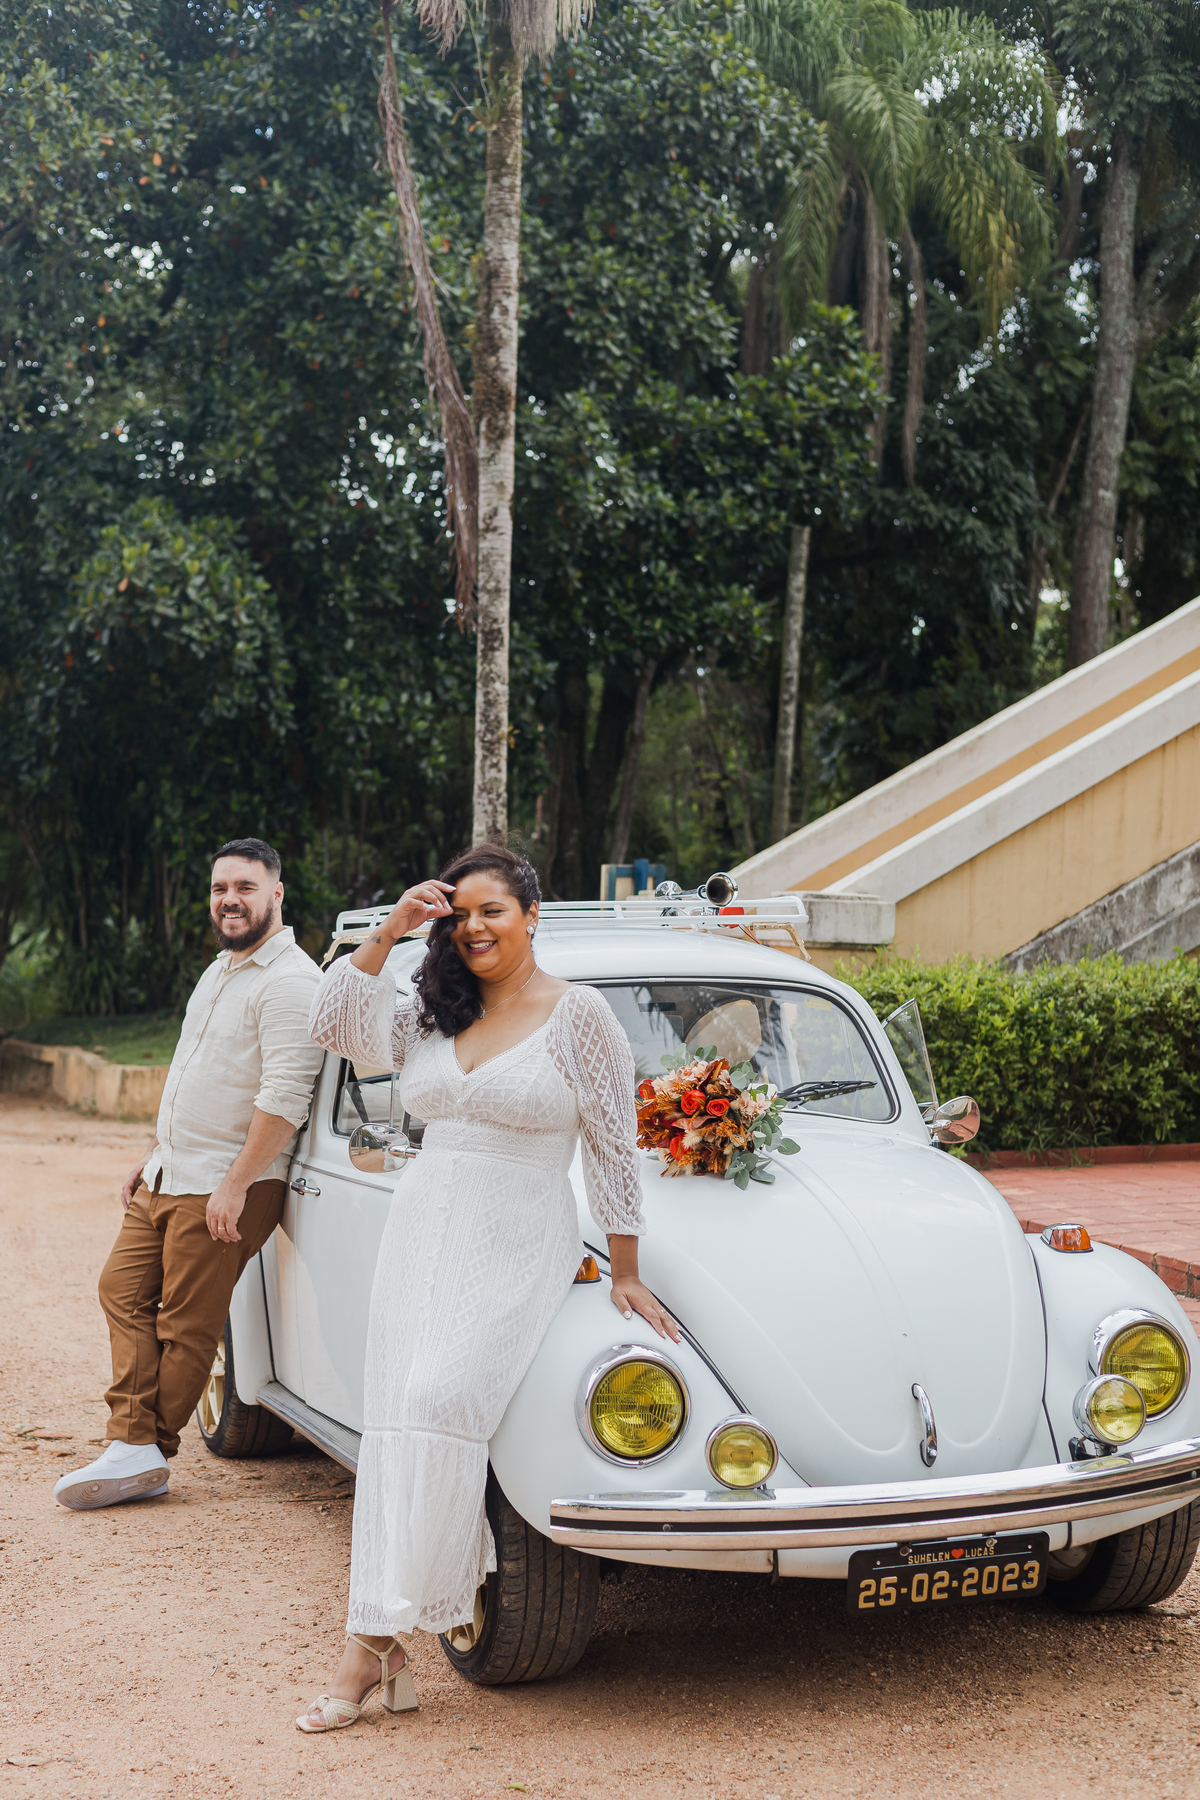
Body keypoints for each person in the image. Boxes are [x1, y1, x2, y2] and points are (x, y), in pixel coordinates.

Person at [297, 844, 676, 1734]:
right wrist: (391, 929)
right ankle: (384, 1642)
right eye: (458, 914)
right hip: (425, 1226)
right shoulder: (433, 1012)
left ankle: (374, 1642)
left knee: (442, 1399)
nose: (472, 927)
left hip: (519, 1231)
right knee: (395, 1419)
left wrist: (624, 1269)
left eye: (491, 911)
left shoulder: (580, 1016)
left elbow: (613, 1147)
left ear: (532, 915)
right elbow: (332, 1022)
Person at [54, 838, 324, 1511]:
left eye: (245, 887)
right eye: (219, 889)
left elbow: (284, 1098)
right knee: (120, 1288)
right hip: (173, 1172)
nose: (229, 900)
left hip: (229, 1183)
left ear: (276, 895)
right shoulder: (221, 971)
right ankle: (134, 1446)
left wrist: (234, 1184)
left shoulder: (291, 982)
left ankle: (143, 1447)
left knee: (186, 1322)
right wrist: (153, 1152)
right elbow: (192, 1074)